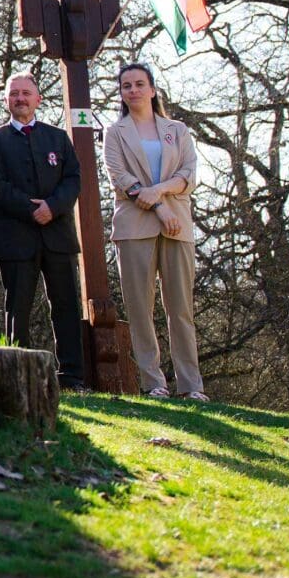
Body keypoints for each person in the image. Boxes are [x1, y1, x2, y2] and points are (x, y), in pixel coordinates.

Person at [105, 62, 206, 400]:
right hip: (134, 228)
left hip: (177, 226)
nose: (133, 90)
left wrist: (160, 192)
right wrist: (158, 206)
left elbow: (189, 174)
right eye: (126, 86)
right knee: (139, 309)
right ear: (121, 93)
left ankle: (191, 386)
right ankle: (154, 383)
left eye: (139, 84)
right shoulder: (115, 133)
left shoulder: (177, 130)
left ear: (151, 89)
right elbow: (120, 178)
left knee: (181, 309)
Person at [0, 73, 84, 386]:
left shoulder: (58, 138)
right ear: (6, 100)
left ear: (38, 99)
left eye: (26, 93)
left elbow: (73, 179)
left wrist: (53, 206)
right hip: (14, 237)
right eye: (14, 94)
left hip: (57, 235)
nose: (20, 98)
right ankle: (17, 374)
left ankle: (72, 375)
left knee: (66, 305)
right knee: (17, 307)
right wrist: (32, 209)